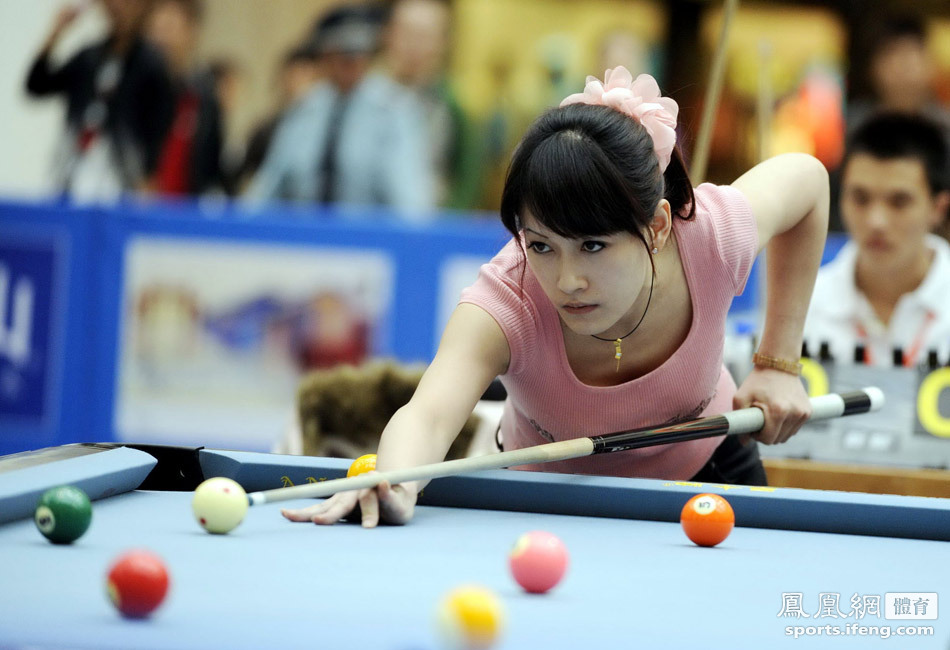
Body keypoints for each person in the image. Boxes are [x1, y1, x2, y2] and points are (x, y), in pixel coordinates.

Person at [282, 67, 828, 528]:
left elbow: (808, 180)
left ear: (658, 226)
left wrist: (778, 363)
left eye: (593, 246)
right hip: (542, 500)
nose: (567, 280)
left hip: (711, 476)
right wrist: (393, 483)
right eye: (541, 245)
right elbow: (427, 415)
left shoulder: (709, 238)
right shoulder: (506, 299)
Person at [245, 3, 435, 215]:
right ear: (326, 57)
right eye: (342, 55)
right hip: (305, 228)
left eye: (358, 54)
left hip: (367, 231)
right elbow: (268, 186)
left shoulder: (395, 110)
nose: (351, 64)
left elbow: (409, 200)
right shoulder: (304, 109)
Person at [804, 113, 950, 366]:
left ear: (938, 208)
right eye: (860, 199)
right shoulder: (804, 306)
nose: (876, 222)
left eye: (899, 202)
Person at [25, 0, 174, 202]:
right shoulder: (88, 57)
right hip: (73, 172)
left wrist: (148, 176)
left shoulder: (151, 65)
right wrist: (56, 32)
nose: (119, 8)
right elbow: (36, 86)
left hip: (123, 180)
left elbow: (159, 127)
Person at [145, 0, 223, 196]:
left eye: (169, 27)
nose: (160, 39)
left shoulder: (204, 98)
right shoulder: (133, 86)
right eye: (155, 29)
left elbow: (210, 166)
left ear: (191, 31)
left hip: (183, 207)